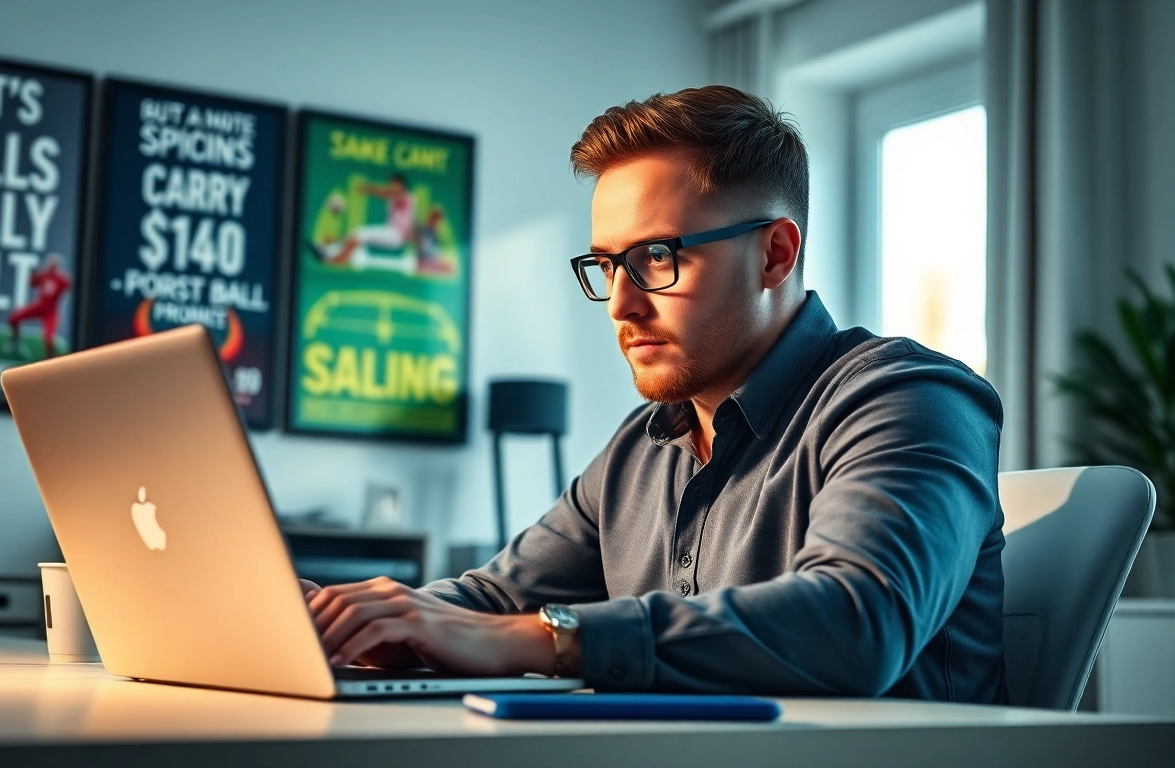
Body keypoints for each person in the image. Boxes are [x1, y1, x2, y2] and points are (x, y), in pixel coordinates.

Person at [300, 85, 1007, 702]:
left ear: (775, 254)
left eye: (657, 258)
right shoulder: (641, 449)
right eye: (607, 265)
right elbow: (493, 601)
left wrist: (545, 638)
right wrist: (348, 619)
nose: (621, 303)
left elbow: (856, 621)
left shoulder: (910, 399)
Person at [318, 174, 417, 266]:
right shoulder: (393, 198)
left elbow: (386, 193)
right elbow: (388, 194)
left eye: (395, 184)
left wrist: (367, 188)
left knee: (361, 233)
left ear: (402, 185)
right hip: (391, 232)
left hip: (397, 235)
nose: (392, 186)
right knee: (355, 234)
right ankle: (328, 250)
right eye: (391, 183)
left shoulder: (407, 196)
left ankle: (341, 259)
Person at [8, 253, 71, 359]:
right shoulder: (44, 275)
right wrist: (33, 273)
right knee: (14, 317)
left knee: (48, 338)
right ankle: (15, 342)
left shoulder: (61, 279)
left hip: (51, 310)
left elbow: (68, 287)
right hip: (40, 306)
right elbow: (31, 282)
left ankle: (51, 358)